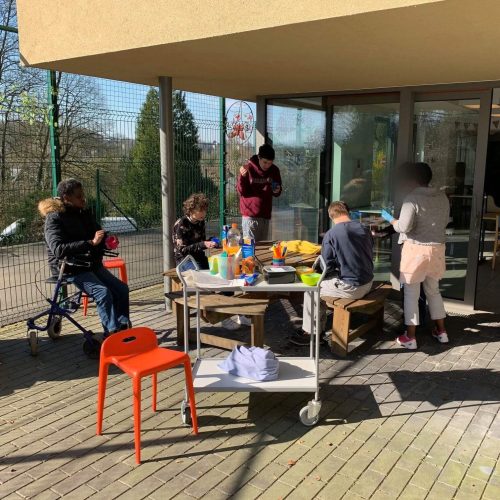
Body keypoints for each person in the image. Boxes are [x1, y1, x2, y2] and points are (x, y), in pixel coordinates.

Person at [38, 178, 130, 335]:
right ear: (66, 197)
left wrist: (106, 241)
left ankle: (122, 328)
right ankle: (111, 334)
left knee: (121, 289)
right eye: (79, 196)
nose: (83, 199)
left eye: (83, 195)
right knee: (103, 293)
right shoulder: (54, 218)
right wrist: (90, 243)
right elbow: (58, 249)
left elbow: (96, 235)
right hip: (70, 267)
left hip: (90, 263)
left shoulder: (83, 213)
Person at [382, 162, 449, 350]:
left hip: (416, 250)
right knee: (433, 291)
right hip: (437, 249)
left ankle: (410, 337)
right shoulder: (442, 196)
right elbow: (443, 221)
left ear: (411, 180)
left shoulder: (411, 198)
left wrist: (390, 219)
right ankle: (441, 332)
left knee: (411, 294)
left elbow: (403, 227)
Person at [291, 201, 374, 346]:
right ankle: (317, 328)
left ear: (331, 216)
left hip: (352, 287)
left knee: (312, 289)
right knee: (326, 284)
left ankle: (311, 334)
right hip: (368, 282)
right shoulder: (364, 228)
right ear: (347, 212)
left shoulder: (332, 234)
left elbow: (326, 266)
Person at [237, 143, 282, 241]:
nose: (267, 165)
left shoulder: (274, 170)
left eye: (270, 163)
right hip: (250, 216)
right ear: (259, 157)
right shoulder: (247, 168)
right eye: (265, 162)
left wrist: (277, 190)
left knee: (263, 246)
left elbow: (277, 192)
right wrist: (242, 177)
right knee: (250, 246)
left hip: (265, 215)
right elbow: (241, 191)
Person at [172, 193, 217, 269]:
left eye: (205, 210)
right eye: (200, 210)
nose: (204, 213)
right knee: (201, 273)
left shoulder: (200, 221)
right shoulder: (181, 224)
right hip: (185, 260)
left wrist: (211, 241)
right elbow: (182, 250)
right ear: (191, 210)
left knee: (216, 268)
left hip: (199, 257)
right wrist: (203, 244)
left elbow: (200, 243)